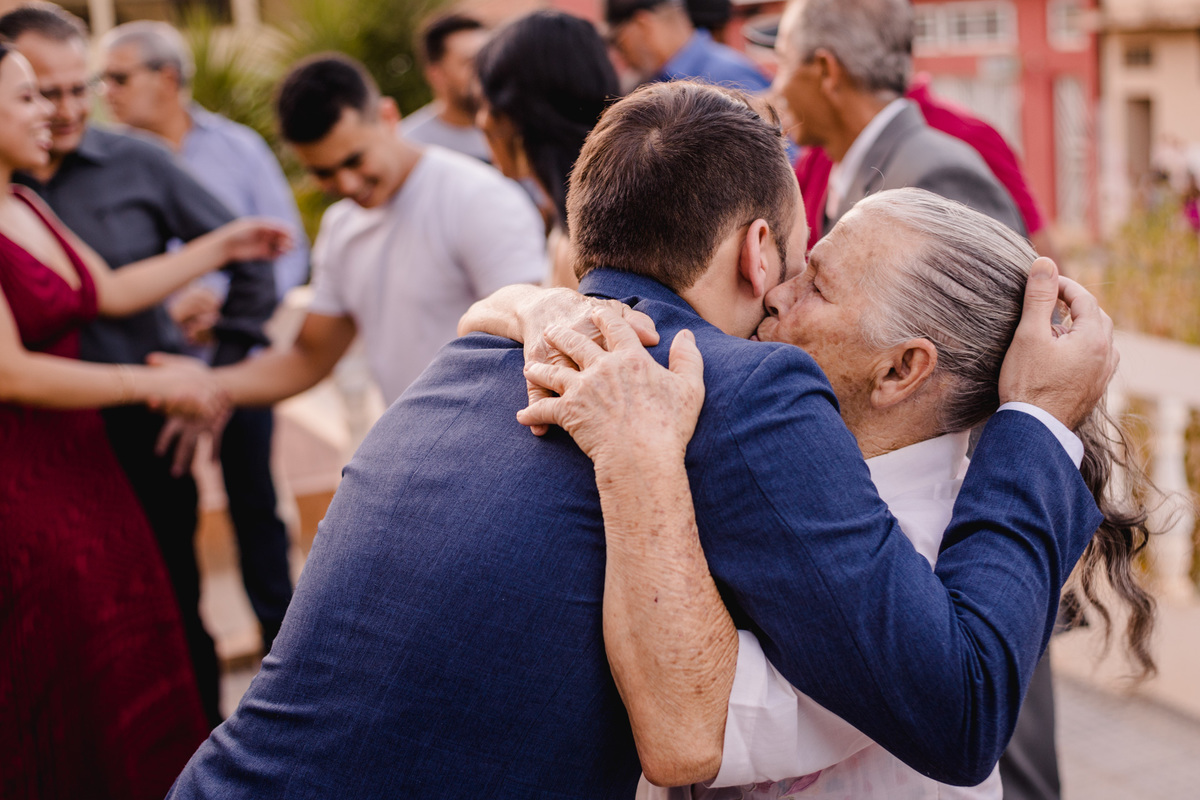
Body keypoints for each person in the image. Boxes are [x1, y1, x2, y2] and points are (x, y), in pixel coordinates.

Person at [166, 81, 1115, 797]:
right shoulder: (741, 389)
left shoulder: (473, 360)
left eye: (817, 283)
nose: (785, 295)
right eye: (798, 259)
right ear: (755, 251)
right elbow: (958, 707)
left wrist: (538, 307)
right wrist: (1034, 425)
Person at [503, 188, 1156, 799]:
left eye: (814, 285)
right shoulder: (787, 463)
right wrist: (554, 308)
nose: (775, 293)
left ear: (900, 370)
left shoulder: (911, 568)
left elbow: (686, 725)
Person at [0, 42, 289, 800]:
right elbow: (10, 371)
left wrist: (221, 245)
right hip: (22, 483)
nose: (58, 114)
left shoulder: (23, 204)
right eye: (28, 97)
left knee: (129, 650)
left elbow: (114, 292)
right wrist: (156, 384)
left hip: (86, 467)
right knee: (56, 673)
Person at [152, 53, 544, 418]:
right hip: (414, 446)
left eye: (354, 159)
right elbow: (308, 358)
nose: (347, 183)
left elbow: (529, 345)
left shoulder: (479, 198)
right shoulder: (342, 226)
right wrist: (204, 383)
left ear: (388, 117)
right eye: (323, 172)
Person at [98, 18, 310, 653]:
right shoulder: (104, 166)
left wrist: (218, 310)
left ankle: (283, 657)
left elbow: (286, 249)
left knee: (256, 510)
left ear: (166, 79)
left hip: (238, 358)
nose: (103, 91)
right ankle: (187, 669)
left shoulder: (238, 148)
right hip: (154, 369)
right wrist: (168, 307)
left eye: (117, 76)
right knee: (167, 523)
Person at [771, 0, 1023, 241]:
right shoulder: (852, 168)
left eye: (783, 62)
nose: (777, 87)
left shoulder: (933, 180)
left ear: (826, 70)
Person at [475, 10, 619, 287]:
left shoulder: (582, 249)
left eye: (482, 102)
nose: (480, 121)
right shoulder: (600, 212)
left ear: (511, 115)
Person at [605, 0, 769, 90]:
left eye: (619, 43)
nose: (622, 56)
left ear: (643, 26)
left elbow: (777, 149)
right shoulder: (651, 81)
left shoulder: (727, 75)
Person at [402, 13, 492, 162]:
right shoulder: (410, 146)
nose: (485, 70)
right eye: (470, 63)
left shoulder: (519, 129)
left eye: (488, 59)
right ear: (437, 75)